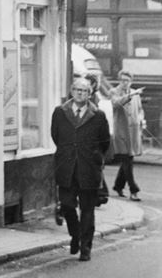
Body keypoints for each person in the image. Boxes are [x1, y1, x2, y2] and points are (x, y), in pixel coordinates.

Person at [51, 76, 110, 262]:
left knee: (87, 210)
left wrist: (93, 157)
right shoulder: (60, 112)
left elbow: (105, 142)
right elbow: (56, 136)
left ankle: (85, 248)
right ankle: (75, 235)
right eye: (77, 90)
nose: (80, 93)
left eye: (84, 91)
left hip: (88, 169)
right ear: (71, 91)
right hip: (66, 167)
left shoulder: (98, 115)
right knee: (67, 206)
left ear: (89, 94)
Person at [110, 70, 146, 200]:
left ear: (131, 81)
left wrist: (141, 120)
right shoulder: (114, 92)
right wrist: (130, 95)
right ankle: (133, 190)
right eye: (122, 80)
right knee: (127, 160)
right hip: (122, 132)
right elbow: (116, 103)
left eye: (127, 80)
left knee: (128, 160)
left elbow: (140, 110)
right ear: (119, 80)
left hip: (134, 132)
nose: (125, 83)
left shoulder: (135, 93)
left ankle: (118, 186)